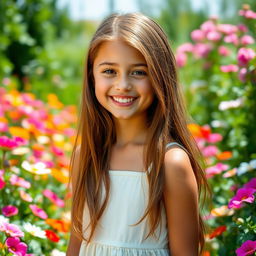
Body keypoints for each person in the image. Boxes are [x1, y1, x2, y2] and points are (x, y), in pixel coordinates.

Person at [66, 12, 212, 256]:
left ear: (160, 77)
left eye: (139, 72)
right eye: (109, 71)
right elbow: (76, 244)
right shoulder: (87, 155)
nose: (123, 84)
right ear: (92, 76)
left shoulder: (170, 163)